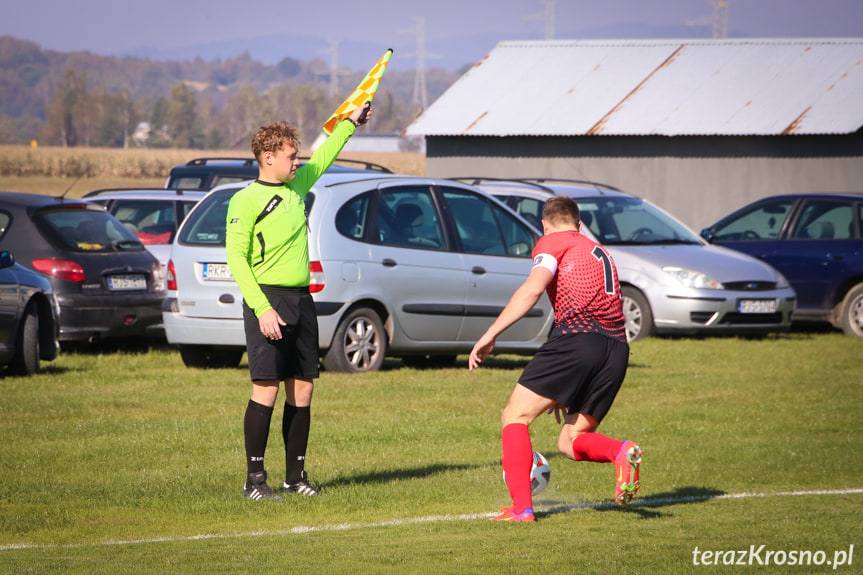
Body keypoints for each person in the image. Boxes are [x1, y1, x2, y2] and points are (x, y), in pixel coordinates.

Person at [226, 104, 372, 501]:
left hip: (301, 300)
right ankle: (254, 480)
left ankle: (295, 477)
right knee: (266, 389)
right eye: (292, 156)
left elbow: (326, 155)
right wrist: (262, 308)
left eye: (298, 156)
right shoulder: (245, 200)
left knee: (303, 390)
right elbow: (237, 259)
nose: (298, 162)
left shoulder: (296, 186)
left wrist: (349, 123)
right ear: (268, 157)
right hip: (267, 301)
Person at [468, 195, 642, 522]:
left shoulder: (550, 242)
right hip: (617, 350)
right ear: (579, 225)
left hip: (578, 341)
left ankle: (522, 509)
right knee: (570, 440)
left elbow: (534, 289)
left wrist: (491, 333)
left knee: (515, 416)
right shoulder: (599, 249)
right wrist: (569, 383)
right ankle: (620, 452)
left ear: (544, 225)